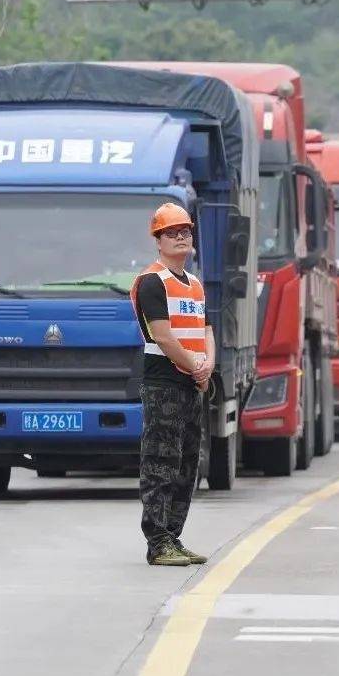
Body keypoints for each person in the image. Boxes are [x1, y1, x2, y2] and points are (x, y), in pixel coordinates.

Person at [130, 203, 216, 567]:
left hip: (192, 382)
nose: (181, 237)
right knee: (160, 461)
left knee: (186, 462)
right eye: (172, 233)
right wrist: (194, 368)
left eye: (185, 232)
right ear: (158, 240)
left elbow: (206, 330)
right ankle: (158, 540)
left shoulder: (194, 284)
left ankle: (174, 536)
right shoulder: (153, 282)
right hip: (165, 382)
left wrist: (207, 364)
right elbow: (163, 337)